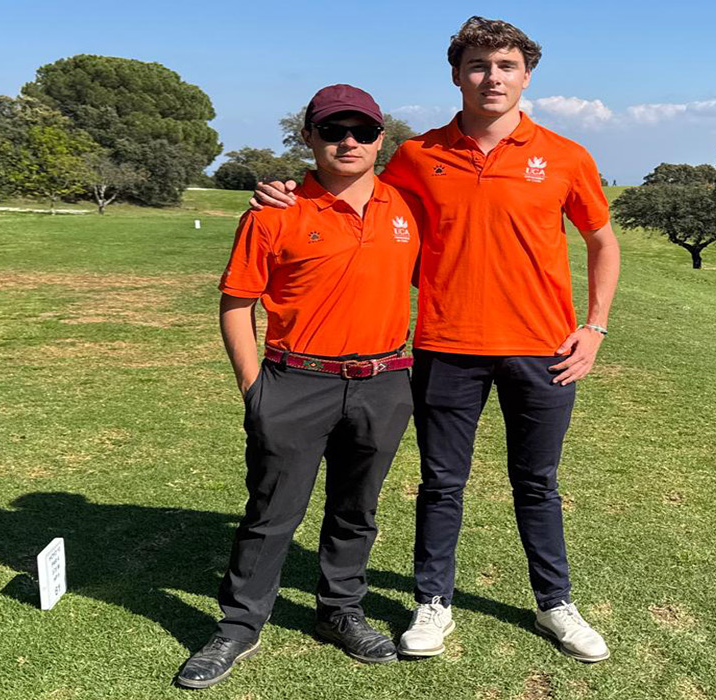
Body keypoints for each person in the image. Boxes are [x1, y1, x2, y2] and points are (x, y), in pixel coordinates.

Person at [254, 16, 621, 663]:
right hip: (447, 348)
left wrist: (594, 326)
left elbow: (601, 241)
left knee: (536, 481)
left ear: (526, 75)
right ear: (457, 75)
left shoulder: (565, 156)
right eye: (478, 65)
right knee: (442, 484)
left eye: (505, 65)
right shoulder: (420, 157)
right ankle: (434, 603)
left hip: (543, 351)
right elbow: (355, 187)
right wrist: (286, 191)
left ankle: (554, 603)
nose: (492, 77)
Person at [175, 84, 421, 690]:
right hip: (295, 379)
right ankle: (239, 625)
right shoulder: (273, 212)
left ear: (380, 140)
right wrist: (253, 387)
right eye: (333, 130)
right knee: (271, 512)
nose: (348, 142)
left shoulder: (408, 206)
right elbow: (237, 305)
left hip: (385, 380)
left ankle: (341, 610)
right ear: (308, 137)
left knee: (356, 509)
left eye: (362, 132)